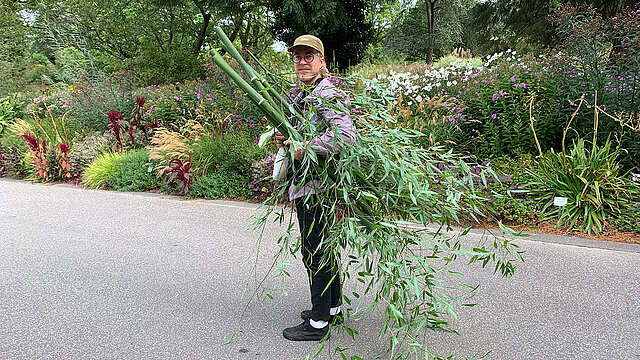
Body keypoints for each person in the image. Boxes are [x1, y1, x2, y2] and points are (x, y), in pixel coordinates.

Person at [275, 35, 356, 341]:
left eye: (309, 56)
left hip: (317, 188)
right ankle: (331, 308)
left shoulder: (326, 93)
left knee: (315, 253)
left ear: (322, 61)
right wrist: (285, 140)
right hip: (310, 184)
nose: (303, 61)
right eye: (298, 57)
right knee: (323, 249)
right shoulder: (304, 93)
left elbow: (346, 137)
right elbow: (300, 133)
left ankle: (318, 323)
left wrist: (305, 147)